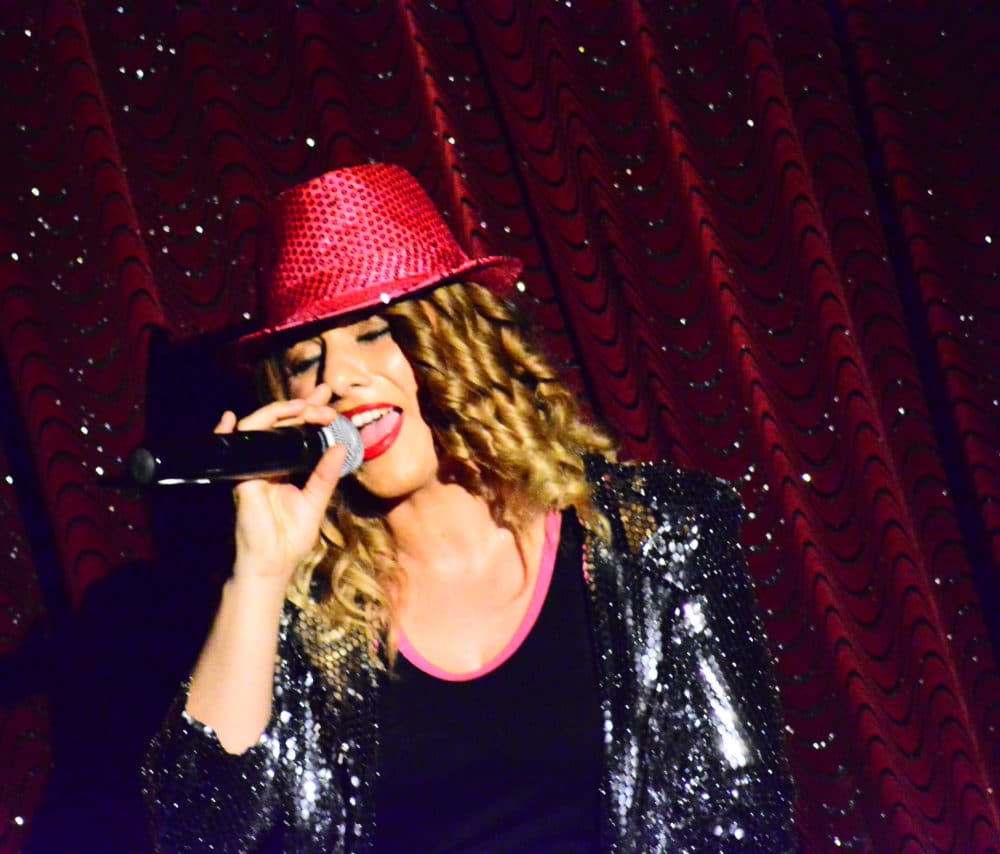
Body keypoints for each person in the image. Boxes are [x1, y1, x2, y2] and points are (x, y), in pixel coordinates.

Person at [142, 163, 796, 851]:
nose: (339, 378)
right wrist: (259, 574)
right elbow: (197, 833)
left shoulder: (656, 535)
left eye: (374, 333)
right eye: (307, 361)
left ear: (461, 336)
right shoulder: (305, 618)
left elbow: (744, 816)